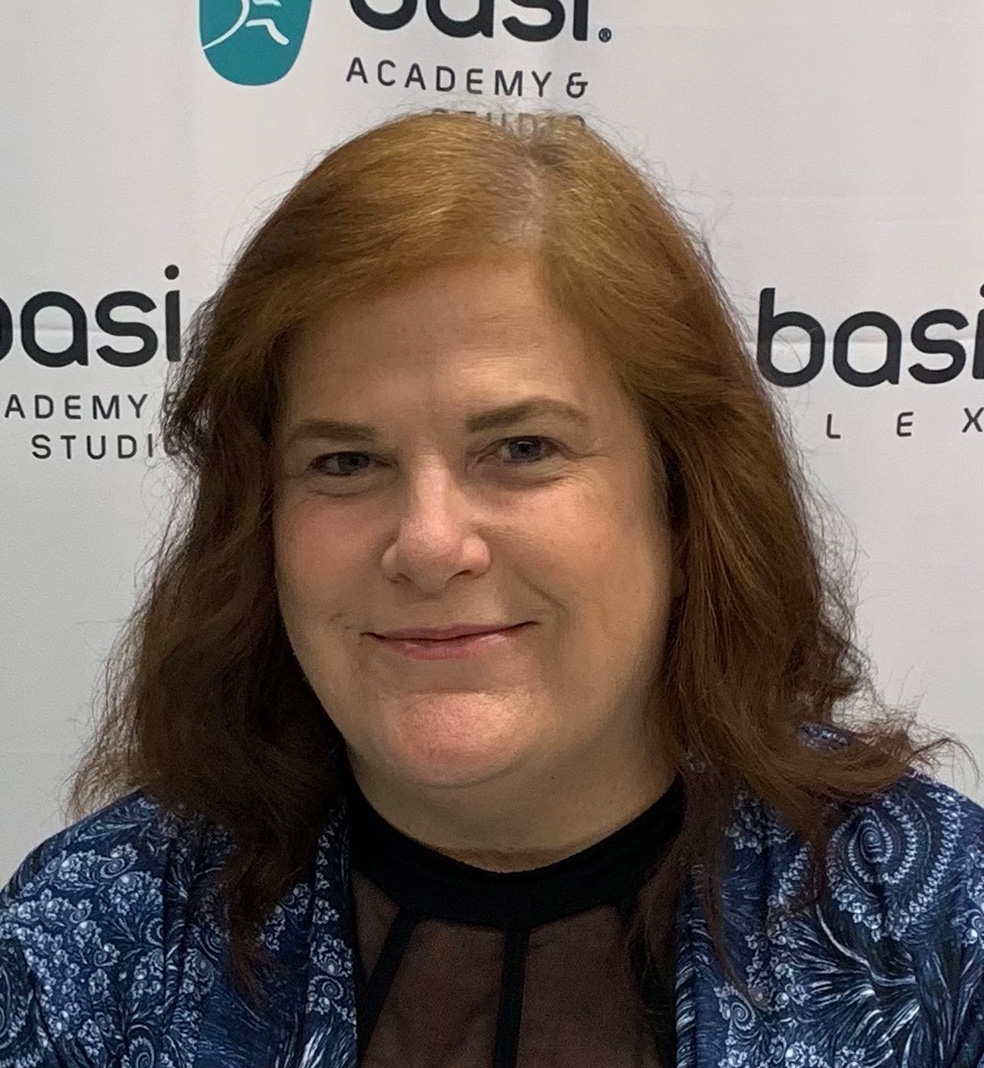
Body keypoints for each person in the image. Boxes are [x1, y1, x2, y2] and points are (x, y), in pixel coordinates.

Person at [1, 107, 982, 1068]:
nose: (429, 545)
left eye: (521, 448)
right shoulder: (93, 942)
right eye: (346, 462)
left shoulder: (937, 924)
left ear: (686, 508)